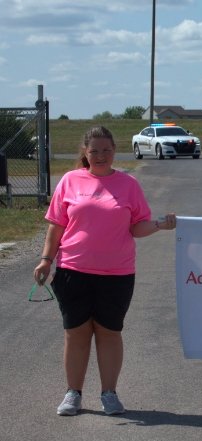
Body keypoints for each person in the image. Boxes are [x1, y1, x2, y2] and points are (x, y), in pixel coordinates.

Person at [33, 126, 176, 416]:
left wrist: (161, 223)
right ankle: (73, 394)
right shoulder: (70, 181)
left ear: (114, 151)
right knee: (76, 333)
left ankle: (109, 394)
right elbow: (56, 226)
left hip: (117, 274)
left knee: (109, 332)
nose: (101, 155)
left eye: (106, 150)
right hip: (74, 269)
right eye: (95, 150)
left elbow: (138, 226)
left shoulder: (128, 184)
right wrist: (46, 260)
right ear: (85, 152)